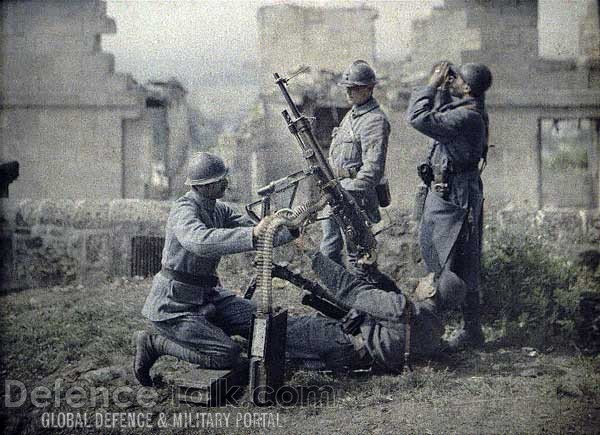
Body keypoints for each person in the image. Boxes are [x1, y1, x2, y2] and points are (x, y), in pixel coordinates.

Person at [133, 152, 295, 387]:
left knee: (263, 320)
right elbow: (200, 242)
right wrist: (252, 234)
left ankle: (213, 333)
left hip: (209, 296)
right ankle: (154, 342)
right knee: (227, 356)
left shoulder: (219, 209)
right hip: (175, 307)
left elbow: (259, 233)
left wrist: (291, 228)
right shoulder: (183, 210)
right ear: (203, 187)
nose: (226, 183)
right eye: (220, 180)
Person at [406, 61, 492, 351]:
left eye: (456, 80)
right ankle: (468, 329)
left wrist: (431, 84)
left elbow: (419, 117)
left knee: (455, 262)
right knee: (454, 259)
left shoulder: (468, 117)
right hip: (454, 191)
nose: (451, 81)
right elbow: (441, 117)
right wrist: (443, 89)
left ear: (467, 88)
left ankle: (447, 331)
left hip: (457, 196)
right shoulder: (469, 110)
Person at [285, 237, 467, 372]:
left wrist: (313, 253)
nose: (424, 278)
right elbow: (394, 304)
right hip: (355, 358)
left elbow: (350, 289)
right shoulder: (434, 333)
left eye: (429, 279)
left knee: (280, 330)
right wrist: (372, 272)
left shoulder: (401, 309)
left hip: (339, 343)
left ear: (431, 292)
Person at [320, 60, 392, 287]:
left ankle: (368, 303)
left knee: (359, 257)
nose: (349, 92)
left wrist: (345, 192)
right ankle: (341, 299)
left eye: (355, 88)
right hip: (338, 193)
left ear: (369, 89)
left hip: (355, 198)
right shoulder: (352, 115)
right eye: (347, 87)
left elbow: (372, 170)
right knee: (329, 249)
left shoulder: (374, 121)